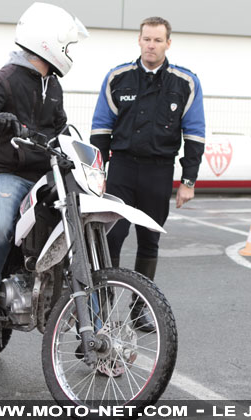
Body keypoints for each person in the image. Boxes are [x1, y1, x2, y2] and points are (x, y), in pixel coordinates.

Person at [0, 2, 88, 335]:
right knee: (0, 228)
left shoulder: (53, 84)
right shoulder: (0, 79)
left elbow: (60, 128)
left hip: (48, 174)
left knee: (83, 222)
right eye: (67, 44)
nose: (70, 51)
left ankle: (89, 320)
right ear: (48, 42)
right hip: (8, 173)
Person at [90, 17, 205, 332]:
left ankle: (140, 309)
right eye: (146, 40)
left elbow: (194, 135)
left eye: (157, 40)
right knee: (111, 237)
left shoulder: (186, 83)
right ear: (138, 41)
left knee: (149, 241)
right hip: (122, 170)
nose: (151, 46)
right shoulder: (118, 78)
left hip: (159, 172)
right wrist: (96, 173)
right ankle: (101, 311)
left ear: (168, 43)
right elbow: (100, 129)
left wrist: (188, 182)